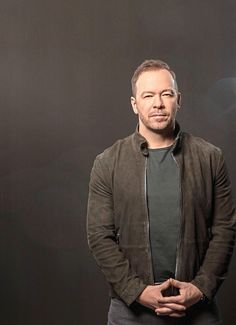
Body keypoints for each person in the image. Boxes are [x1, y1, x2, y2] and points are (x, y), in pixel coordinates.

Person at [87, 59, 236, 324]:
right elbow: (99, 236)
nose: (158, 103)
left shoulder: (210, 158)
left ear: (178, 99)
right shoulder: (107, 163)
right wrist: (137, 291)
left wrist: (201, 287)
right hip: (129, 313)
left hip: (198, 310)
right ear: (135, 104)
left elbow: (225, 228)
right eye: (148, 95)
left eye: (166, 94)